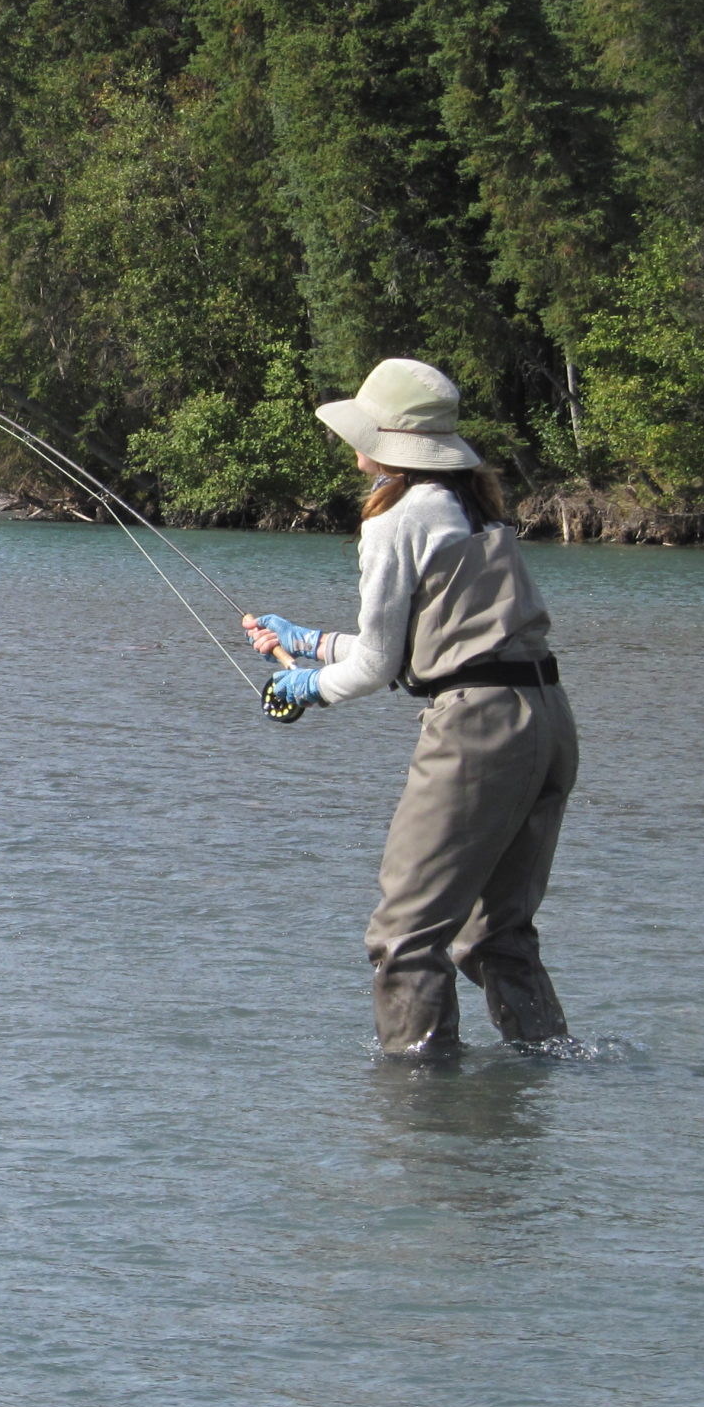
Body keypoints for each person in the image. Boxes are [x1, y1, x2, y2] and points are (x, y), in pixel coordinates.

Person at [245, 358, 576, 1057]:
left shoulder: (396, 517)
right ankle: (549, 1067)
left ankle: (420, 1112)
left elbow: (374, 670)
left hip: (480, 732)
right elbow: (416, 647)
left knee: (403, 936)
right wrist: (307, 642)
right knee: (496, 932)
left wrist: (304, 685)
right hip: (545, 718)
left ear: (387, 442)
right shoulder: (469, 504)